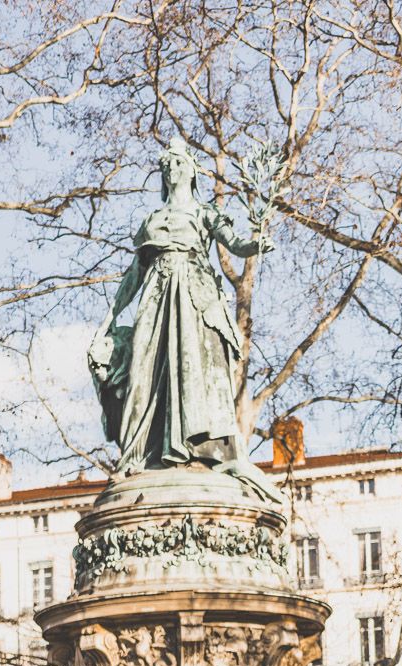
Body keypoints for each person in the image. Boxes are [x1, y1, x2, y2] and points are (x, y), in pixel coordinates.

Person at [88, 137, 282, 504]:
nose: (172, 169)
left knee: (195, 371)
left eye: (178, 163)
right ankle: (143, 452)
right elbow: (134, 275)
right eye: (167, 166)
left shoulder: (204, 212)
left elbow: (236, 242)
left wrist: (256, 243)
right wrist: (110, 316)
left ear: (192, 171)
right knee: (144, 372)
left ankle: (195, 446)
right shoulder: (153, 220)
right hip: (158, 299)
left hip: (194, 298)